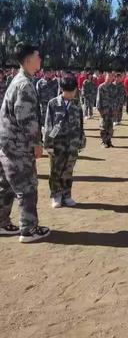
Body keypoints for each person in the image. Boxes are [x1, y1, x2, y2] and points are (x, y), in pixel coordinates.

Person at [0, 43, 50, 243]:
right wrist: (36, 143)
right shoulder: (25, 85)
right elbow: (26, 119)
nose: (40, 59)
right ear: (28, 60)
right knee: (27, 186)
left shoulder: (19, 80)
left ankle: (2, 223)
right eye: (38, 56)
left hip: (7, 143)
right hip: (18, 145)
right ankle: (28, 230)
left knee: (5, 185)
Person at [44, 76, 86, 208]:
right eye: (68, 91)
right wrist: (48, 144)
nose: (71, 94)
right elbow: (48, 124)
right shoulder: (53, 103)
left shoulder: (77, 104)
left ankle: (67, 195)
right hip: (58, 145)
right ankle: (56, 195)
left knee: (68, 170)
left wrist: (81, 140)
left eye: (73, 91)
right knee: (56, 170)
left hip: (72, 143)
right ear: (62, 90)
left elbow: (80, 123)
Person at [96, 72, 116, 148]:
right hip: (104, 110)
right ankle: (103, 142)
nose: (110, 77)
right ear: (105, 76)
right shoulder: (101, 87)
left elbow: (116, 99)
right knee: (103, 126)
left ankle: (109, 141)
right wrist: (100, 110)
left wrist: (115, 108)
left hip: (111, 110)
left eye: (111, 76)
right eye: (109, 75)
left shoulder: (114, 87)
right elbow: (98, 99)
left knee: (110, 127)